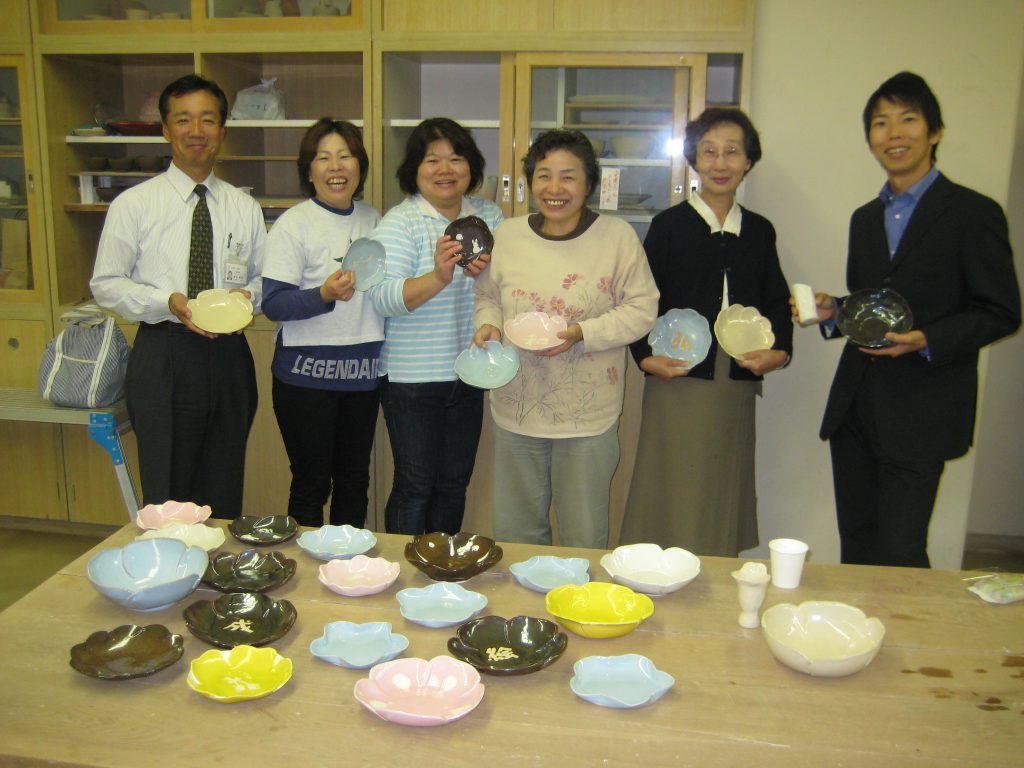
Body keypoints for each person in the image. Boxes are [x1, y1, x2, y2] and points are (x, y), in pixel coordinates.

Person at [805, 72, 1020, 567]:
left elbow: (1001, 311)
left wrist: (927, 339)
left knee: (902, 552)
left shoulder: (972, 213)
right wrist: (835, 311)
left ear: (935, 132)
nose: (894, 134)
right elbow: (873, 304)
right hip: (857, 405)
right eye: (881, 123)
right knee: (857, 542)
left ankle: (909, 643)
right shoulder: (864, 218)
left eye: (908, 119)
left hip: (925, 408)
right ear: (870, 139)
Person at [473, 129, 658, 549]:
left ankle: (580, 610)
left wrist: (582, 334)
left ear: (588, 184)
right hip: (516, 405)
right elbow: (487, 295)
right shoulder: (508, 236)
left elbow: (642, 309)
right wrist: (489, 326)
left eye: (568, 177)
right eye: (544, 176)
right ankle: (523, 613)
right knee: (516, 532)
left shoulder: (617, 238)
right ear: (529, 182)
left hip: (587, 416)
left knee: (584, 534)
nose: (555, 189)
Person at [91, 74, 266, 518]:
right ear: (166, 130)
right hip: (163, 354)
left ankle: (218, 577)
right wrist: (167, 301)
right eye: (183, 119)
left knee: (224, 482)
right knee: (168, 488)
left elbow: (267, 278)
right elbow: (106, 283)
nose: (196, 131)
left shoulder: (243, 206)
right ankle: (170, 579)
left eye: (208, 120)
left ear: (222, 130)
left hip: (229, 357)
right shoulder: (134, 205)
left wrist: (248, 295)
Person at [619, 108, 792, 557]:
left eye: (732, 151)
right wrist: (643, 355)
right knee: (671, 477)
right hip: (676, 372)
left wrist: (782, 352)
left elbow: (776, 300)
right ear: (693, 159)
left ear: (749, 160)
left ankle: (713, 571)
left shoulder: (759, 231)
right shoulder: (670, 226)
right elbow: (641, 300)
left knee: (721, 480)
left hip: (735, 376)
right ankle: (655, 569)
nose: (720, 162)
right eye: (709, 151)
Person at [368, 118, 503, 535]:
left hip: (469, 371)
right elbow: (382, 297)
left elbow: (502, 287)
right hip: (412, 379)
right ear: (415, 169)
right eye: (432, 160)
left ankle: (442, 568)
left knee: (453, 485)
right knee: (415, 486)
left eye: (456, 158)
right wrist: (439, 276)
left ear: (471, 167)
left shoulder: (489, 215)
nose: (445, 169)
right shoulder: (401, 222)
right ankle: (405, 575)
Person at [261, 119, 382, 528]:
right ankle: (308, 578)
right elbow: (274, 304)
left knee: (353, 481)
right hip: (304, 378)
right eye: (324, 157)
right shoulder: (293, 224)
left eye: (345, 156)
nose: (336, 167)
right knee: (312, 484)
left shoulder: (374, 220)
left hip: (363, 374)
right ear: (308, 170)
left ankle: (350, 573)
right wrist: (323, 295)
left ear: (359, 167)